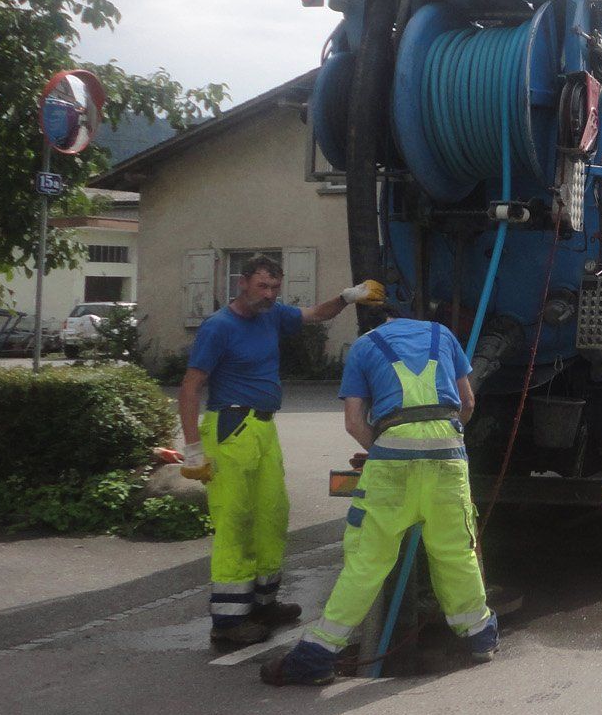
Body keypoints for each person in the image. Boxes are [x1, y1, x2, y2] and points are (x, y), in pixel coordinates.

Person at [260, 312, 498, 687]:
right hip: (447, 456)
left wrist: (383, 450)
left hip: (392, 462)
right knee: (455, 551)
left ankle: (317, 655)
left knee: (368, 561)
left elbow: (354, 421)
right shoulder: (443, 334)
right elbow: (466, 403)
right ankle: (481, 638)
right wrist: (440, 442)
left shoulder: (365, 345)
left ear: (375, 322)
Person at [178, 256, 383, 651]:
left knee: (272, 515)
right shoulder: (218, 327)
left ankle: (263, 605)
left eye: (275, 288)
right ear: (242, 283)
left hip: (263, 428)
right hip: (231, 427)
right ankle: (228, 622)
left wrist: (348, 297)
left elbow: (315, 314)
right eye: (262, 287)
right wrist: (192, 449)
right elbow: (190, 388)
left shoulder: (272, 316)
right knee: (236, 520)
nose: (269, 295)